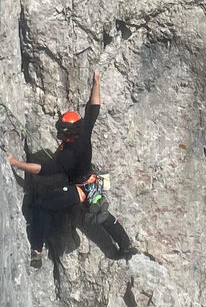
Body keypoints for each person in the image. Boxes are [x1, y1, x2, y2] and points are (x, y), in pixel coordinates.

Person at [8, 70, 138, 266]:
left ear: (68, 131)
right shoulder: (83, 130)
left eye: (61, 129)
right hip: (91, 183)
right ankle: (125, 245)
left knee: (42, 205)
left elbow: (44, 169)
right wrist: (96, 81)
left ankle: (36, 250)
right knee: (102, 214)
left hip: (79, 189)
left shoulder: (70, 154)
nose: (58, 132)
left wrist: (16, 163)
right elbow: (94, 107)